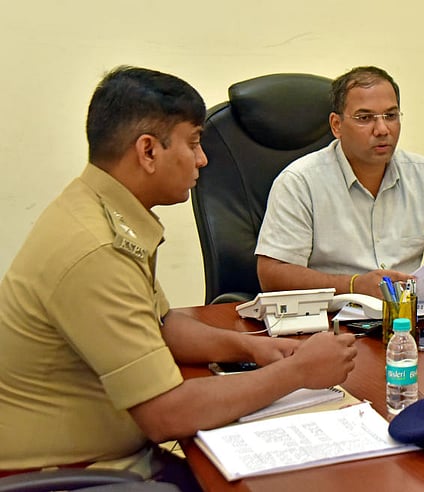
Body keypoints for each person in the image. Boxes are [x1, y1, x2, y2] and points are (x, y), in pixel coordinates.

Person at [0, 67, 358, 488]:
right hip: (77, 475)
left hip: (112, 458)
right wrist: (297, 374)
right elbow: (166, 413)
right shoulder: (96, 249)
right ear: (148, 151)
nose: (203, 159)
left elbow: (163, 325)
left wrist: (255, 348)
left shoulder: (99, 208)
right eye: (193, 143)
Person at [255, 66, 424, 303]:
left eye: (391, 116)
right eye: (365, 117)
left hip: (407, 320)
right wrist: (353, 285)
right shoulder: (300, 182)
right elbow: (272, 275)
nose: (383, 129)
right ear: (336, 125)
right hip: (331, 324)